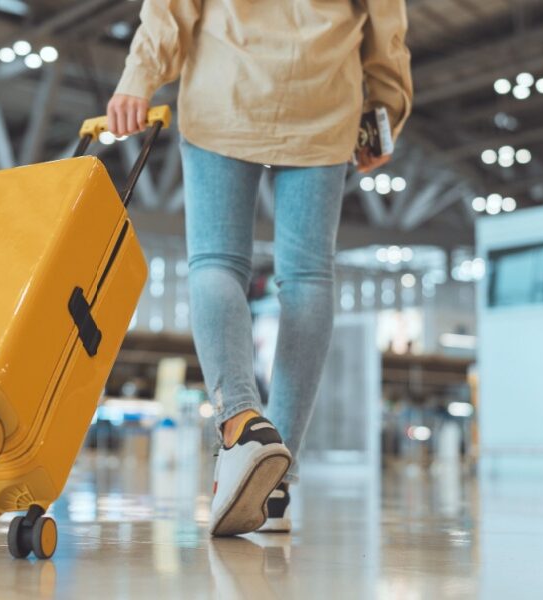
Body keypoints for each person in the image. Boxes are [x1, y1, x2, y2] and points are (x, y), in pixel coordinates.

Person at [109, 0, 412, 535]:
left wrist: (140, 75)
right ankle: (275, 479)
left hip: (226, 88)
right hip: (322, 96)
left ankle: (243, 427)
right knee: (309, 277)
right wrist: (386, 107)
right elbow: (386, 22)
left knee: (217, 262)